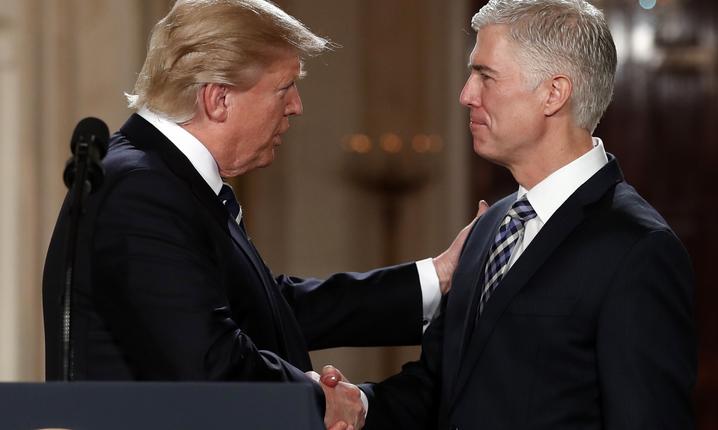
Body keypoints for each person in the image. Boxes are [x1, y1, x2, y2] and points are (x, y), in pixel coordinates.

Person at [41, 1, 484, 428]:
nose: (296, 106)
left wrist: (438, 277)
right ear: (218, 100)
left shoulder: (162, 178)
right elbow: (210, 369)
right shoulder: (142, 191)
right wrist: (322, 402)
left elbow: (265, 307)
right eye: (284, 87)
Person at [320, 0, 696, 428]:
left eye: (485, 76)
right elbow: (441, 387)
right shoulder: (488, 228)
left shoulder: (637, 249)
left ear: (553, 93)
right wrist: (359, 405)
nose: (466, 95)